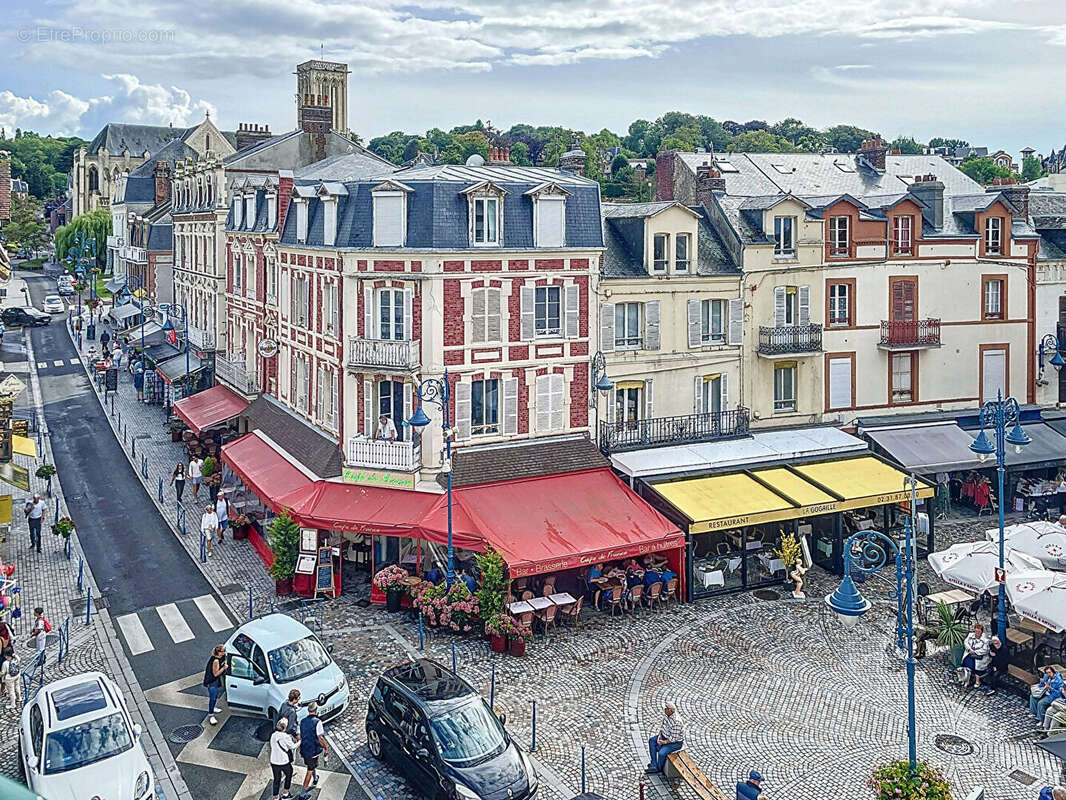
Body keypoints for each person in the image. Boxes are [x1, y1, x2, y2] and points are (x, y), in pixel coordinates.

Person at [645, 700, 684, 774]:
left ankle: (658, 768)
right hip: (664, 736)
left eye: (666, 709)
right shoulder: (667, 716)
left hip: (674, 743)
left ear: (670, 710)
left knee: (661, 753)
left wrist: (663, 742)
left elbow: (673, 739)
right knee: (652, 741)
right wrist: (659, 736)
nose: (664, 710)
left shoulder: (677, 722)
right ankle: (654, 764)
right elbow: (662, 727)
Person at [299, 701, 328, 792]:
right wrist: (325, 748)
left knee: (311, 765)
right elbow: (320, 738)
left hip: (304, 749)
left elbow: (300, 735)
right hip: (313, 750)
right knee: (310, 769)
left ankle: (315, 777)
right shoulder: (317, 722)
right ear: (316, 710)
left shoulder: (302, 721)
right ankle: (303, 792)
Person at [269, 717, 298, 800]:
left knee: (276, 779)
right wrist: (300, 741)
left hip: (274, 760)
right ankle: (285, 793)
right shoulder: (285, 737)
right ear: (285, 727)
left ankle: (276, 797)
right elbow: (292, 746)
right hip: (283, 761)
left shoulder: (273, 735)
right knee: (289, 774)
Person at [203, 644, 227, 725]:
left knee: (216, 695)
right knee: (212, 698)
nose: (224, 653)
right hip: (212, 681)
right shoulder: (216, 661)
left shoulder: (221, 657)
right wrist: (224, 668)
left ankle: (213, 708)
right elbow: (215, 674)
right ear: (219, 652)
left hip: (216, 681)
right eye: (223, 651)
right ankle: (211, 715)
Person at [959, 623, 989, 688]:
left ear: (981, 631)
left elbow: (985, 650)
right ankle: (966, 679)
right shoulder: (970, 635)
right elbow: (965, 642)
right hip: (969, 654)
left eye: (979, 631)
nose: (977, 632)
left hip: (979, 657)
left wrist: (975, 652)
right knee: (966, 664)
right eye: (976, 631)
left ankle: (977, 681)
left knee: (977, 667)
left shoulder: (985, 640)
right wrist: (969, 649)